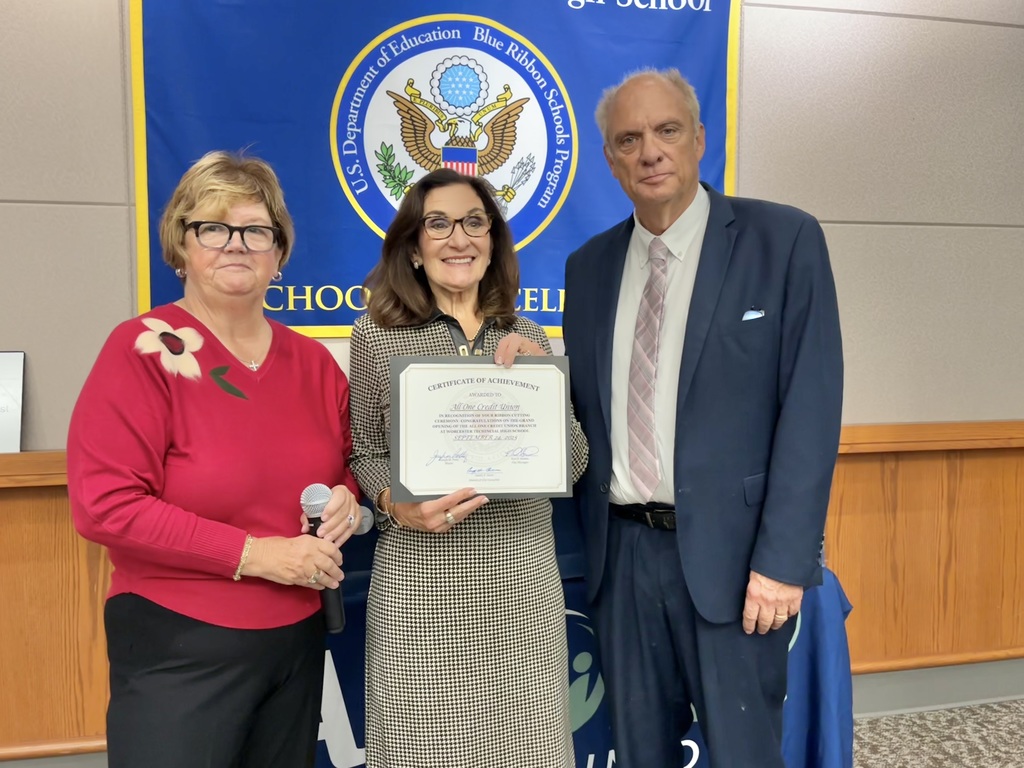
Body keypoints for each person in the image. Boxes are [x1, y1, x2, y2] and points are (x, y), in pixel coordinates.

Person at [562, 68, 844, 768]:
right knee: (639, 753)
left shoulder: (783, 242)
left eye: (666, 131)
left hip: (738, 564)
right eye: (629, 138)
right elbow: (581, 412)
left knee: (746, 754)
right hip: (622, 562)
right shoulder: (587, 268)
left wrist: (783, 564)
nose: (650, 151)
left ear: (699, 139)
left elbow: (810, 410)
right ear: (611, 159)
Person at [66, 151, 363, 768]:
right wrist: (257, 555)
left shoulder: (314, 364)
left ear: (279, 253)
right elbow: (106, 507)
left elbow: (348, 469)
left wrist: (347, 502)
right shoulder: (143, 350)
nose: (237, 245)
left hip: (296, 641)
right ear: (181, 244)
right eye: (213, 228)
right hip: (180, 643)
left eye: (257, 230)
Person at [349, 167, 590, 767]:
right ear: (413, 247)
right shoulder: (375, 334)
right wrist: (392, 503)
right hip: (419, 596)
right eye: (438, 224)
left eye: (474, 222)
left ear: (492, 242)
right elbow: (363, 452)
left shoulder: (528, 334)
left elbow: (577, 463)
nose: (459, 238)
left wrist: (544, 380)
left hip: (521, 592)